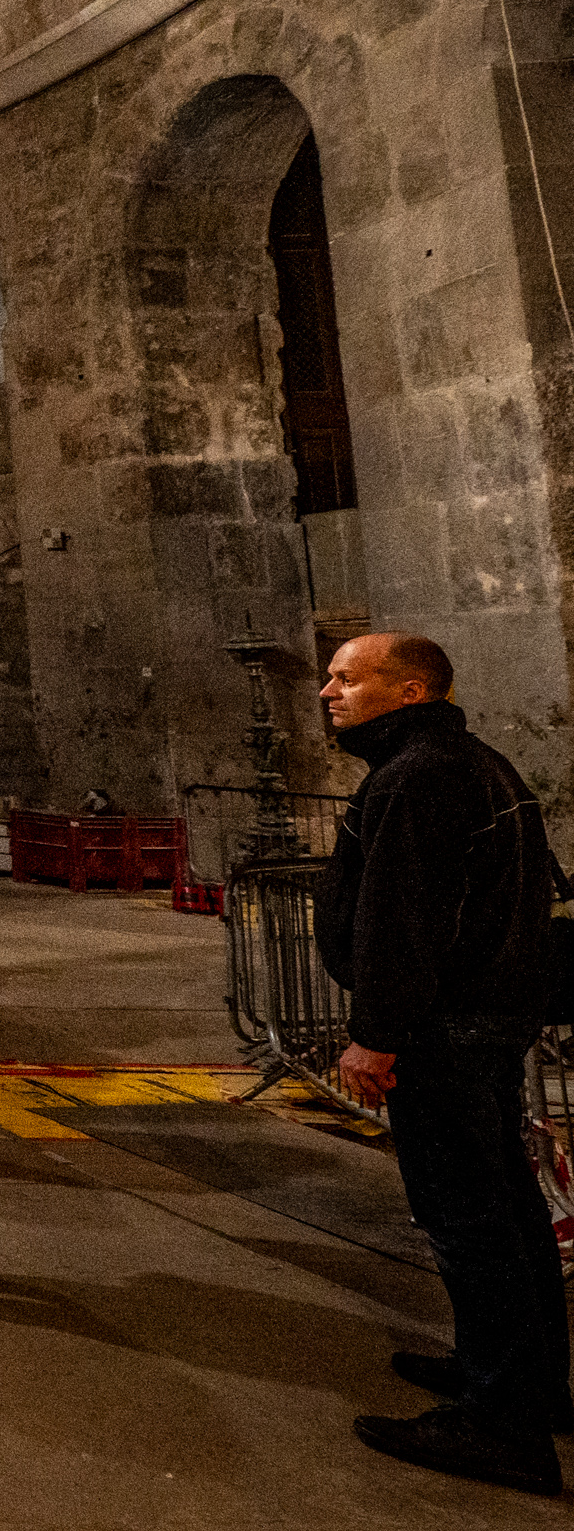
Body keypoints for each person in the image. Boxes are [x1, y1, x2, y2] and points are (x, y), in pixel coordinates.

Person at [320, 633, 565, 1497]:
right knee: (507, 1206)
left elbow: (401, 917)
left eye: (348, 678)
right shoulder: (472, 762)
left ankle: (503, 1426)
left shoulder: (416, 777)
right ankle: (527, 1380)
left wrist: (376, 1033)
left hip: (443, 1029)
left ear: (410, 691)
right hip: (486, 1018)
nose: (329, 692)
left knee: (467, 1219)